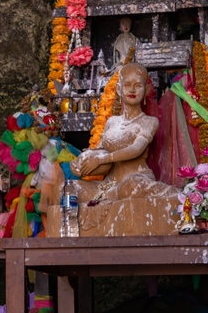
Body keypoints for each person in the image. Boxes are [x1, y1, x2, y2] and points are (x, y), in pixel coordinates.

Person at [68, 63, 179, 236]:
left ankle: (173, 194)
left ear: (146, 89)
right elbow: (99, 150)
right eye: (127, 85)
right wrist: (82, 162)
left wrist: (102, 159)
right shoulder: (111, 122)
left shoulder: (149, 121)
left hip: (136, 179)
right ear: (119, 89)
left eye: (137, 85)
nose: (132, 90)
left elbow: (136, 149)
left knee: (130, 186)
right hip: (108, 185)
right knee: (70, 189)